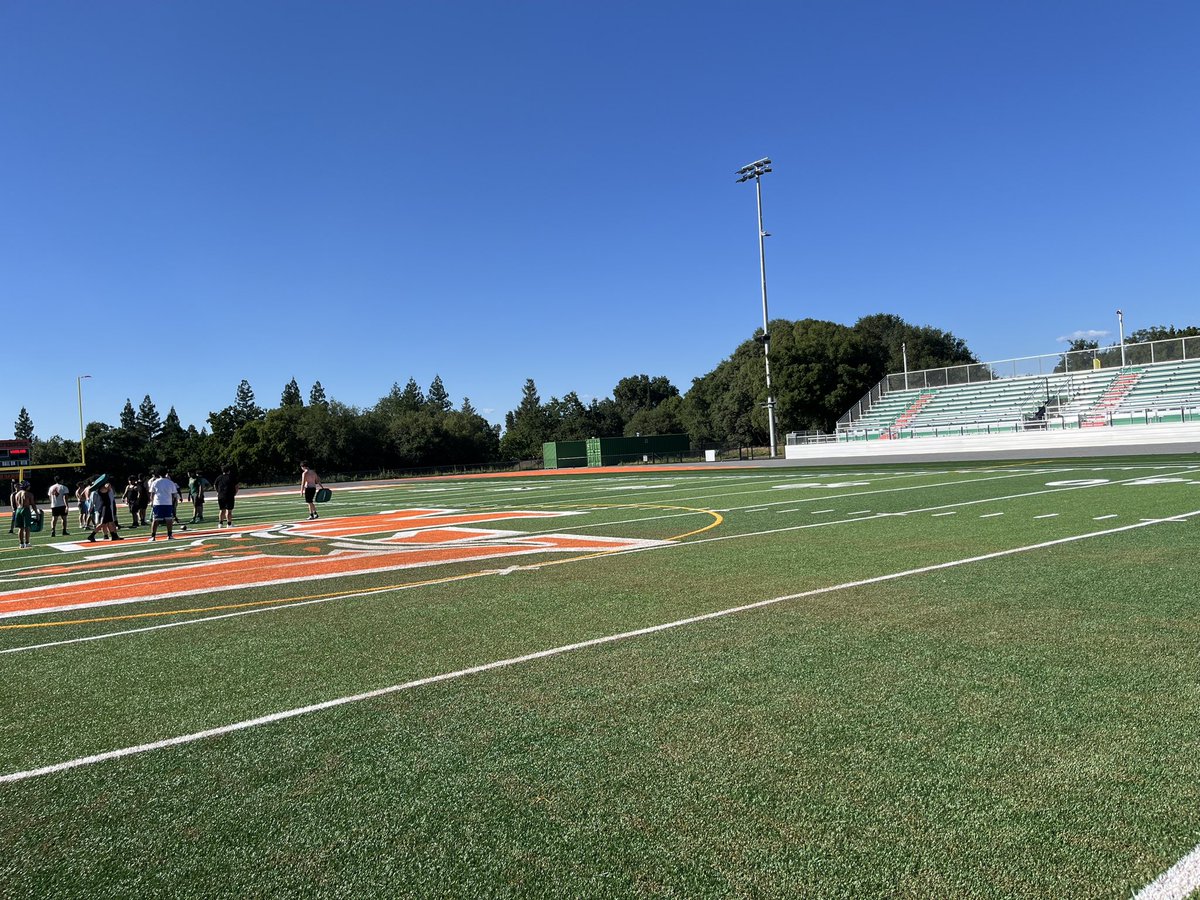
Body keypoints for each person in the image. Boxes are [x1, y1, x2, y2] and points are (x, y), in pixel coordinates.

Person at [147, 468, 181, 542]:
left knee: (155, 520)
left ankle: (153, 536)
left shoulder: (155, 482)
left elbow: (152, 494)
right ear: (166, 473)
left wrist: (152, 502)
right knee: (169, 519)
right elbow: (173, 495)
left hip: (158, 503)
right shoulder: (170, 482)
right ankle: (169, 535)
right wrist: (172, 502)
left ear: (158, 474)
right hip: (168, 503)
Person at [13, 480, 38, 549]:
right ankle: (27, 542)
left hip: (18, 510)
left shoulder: (17, 494)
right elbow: (33, 504)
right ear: (26, 486)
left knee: (20, 528)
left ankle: (21, 543)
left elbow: (16, 504)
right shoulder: (29, 494)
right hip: (25, 509)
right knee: (27, 527)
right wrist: (36, 513)